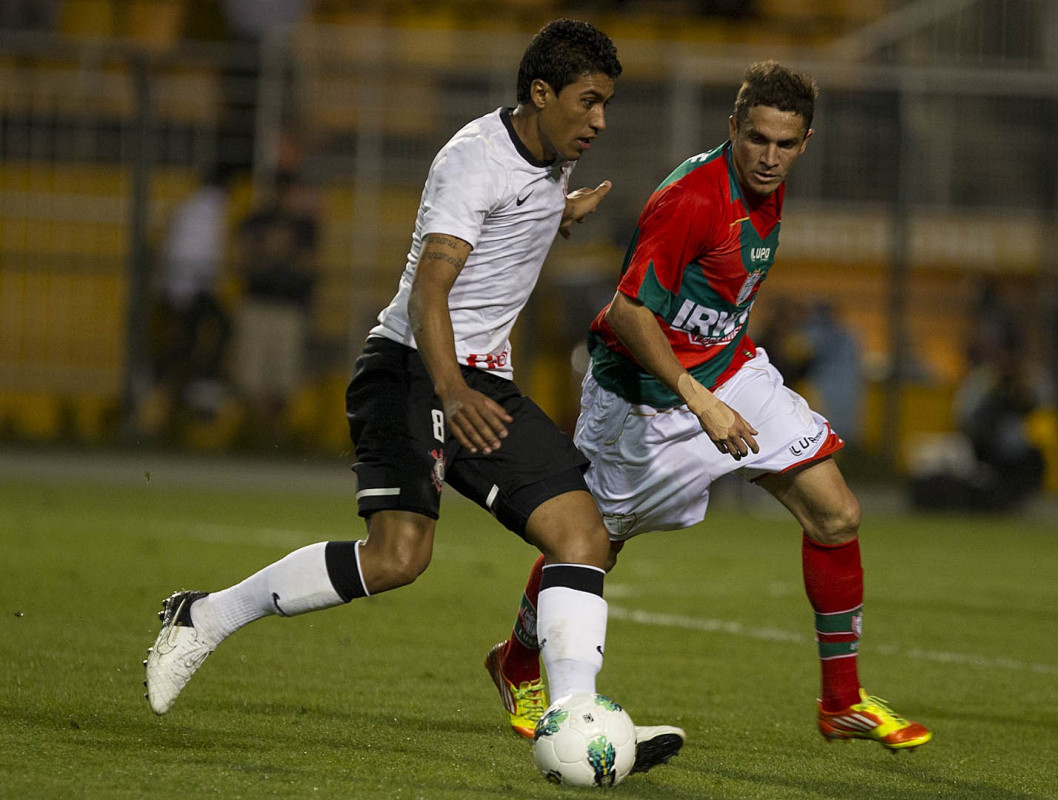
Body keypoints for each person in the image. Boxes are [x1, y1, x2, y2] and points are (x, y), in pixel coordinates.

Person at [144, 19, 682, 774]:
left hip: (478, 383)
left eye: (606, 104)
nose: (600, 120)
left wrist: (557, 217)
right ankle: (205, 614)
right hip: (410, 369)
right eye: (589, 102)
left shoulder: (550, 157)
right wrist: (451, 389)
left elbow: (509, 222)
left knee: (584, 538)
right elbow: (433, 286)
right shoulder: (473, 160)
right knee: (398, 558)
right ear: (540, 93)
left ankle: (574, 713)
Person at [484, 61, 931, 751]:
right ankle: (516, 663)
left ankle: (841, 700)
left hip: (728, 368)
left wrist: (720, 381)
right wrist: (700, 402)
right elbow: (629, 312)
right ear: (732, 128)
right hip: (644, 397)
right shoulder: (693, 199)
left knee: (837, 514)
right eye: (757, 140)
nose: (770, 157)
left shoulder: (769, 188)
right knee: (590, 545)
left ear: (805, 142)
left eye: (786, 145)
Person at [143, 164, 235, 431]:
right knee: (214, 330)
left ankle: (164, 380)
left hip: (185, 285)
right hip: (190, 286)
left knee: (188, 339)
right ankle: (195, 385)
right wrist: (183, 290)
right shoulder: (207, 209)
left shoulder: (194, 207)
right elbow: (192, 251)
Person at [232, 170, 320, 435]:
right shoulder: (256, 221)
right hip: (258, 301)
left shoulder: (304, 225)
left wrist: (283, 252)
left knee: (283, 379)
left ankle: (274, 434)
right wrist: (268, 253)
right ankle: (256, 432)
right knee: (251, 377)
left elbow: (310, 265)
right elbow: (241, 261)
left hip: (287, 305)